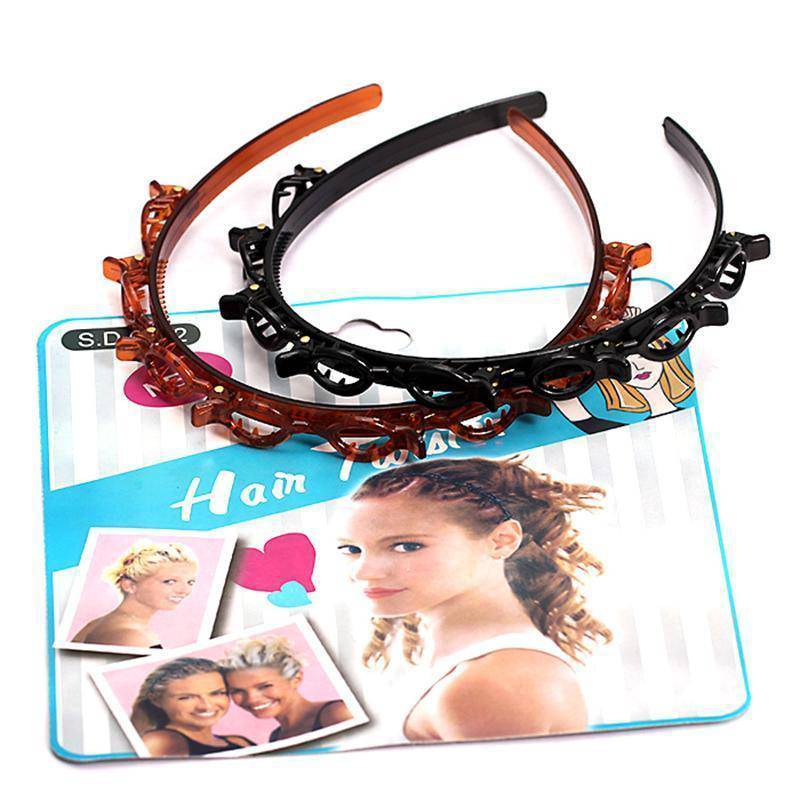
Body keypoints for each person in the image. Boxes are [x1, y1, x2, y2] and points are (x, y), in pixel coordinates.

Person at [336, 456, 611, 742]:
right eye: (352, 549)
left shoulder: (495, 684)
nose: (362, 572)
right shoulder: (462, 669)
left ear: (502, 541)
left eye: (407, 546)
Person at [219, 636, 352, 742]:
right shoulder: (276, 736)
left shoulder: (337, 714)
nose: (252, 699)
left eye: (265, 686)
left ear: (295, 679)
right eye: (237, 691)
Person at [73, 541, 198, 649]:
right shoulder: (135, 636)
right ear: (129, 585)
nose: (185, 590)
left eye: (190, 582)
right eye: (169, 581)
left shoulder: (94, 625)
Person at [555, 341, 695, 434]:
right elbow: (584, 419)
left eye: (641, 356)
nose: (638, 368)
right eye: (624, 362)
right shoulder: (631, 431)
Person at [131, 657, 255, 757]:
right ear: (156, 700)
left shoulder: (239, 742)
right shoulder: (160, 742)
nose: (206, 706)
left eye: (217, 693)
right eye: (187, 697)